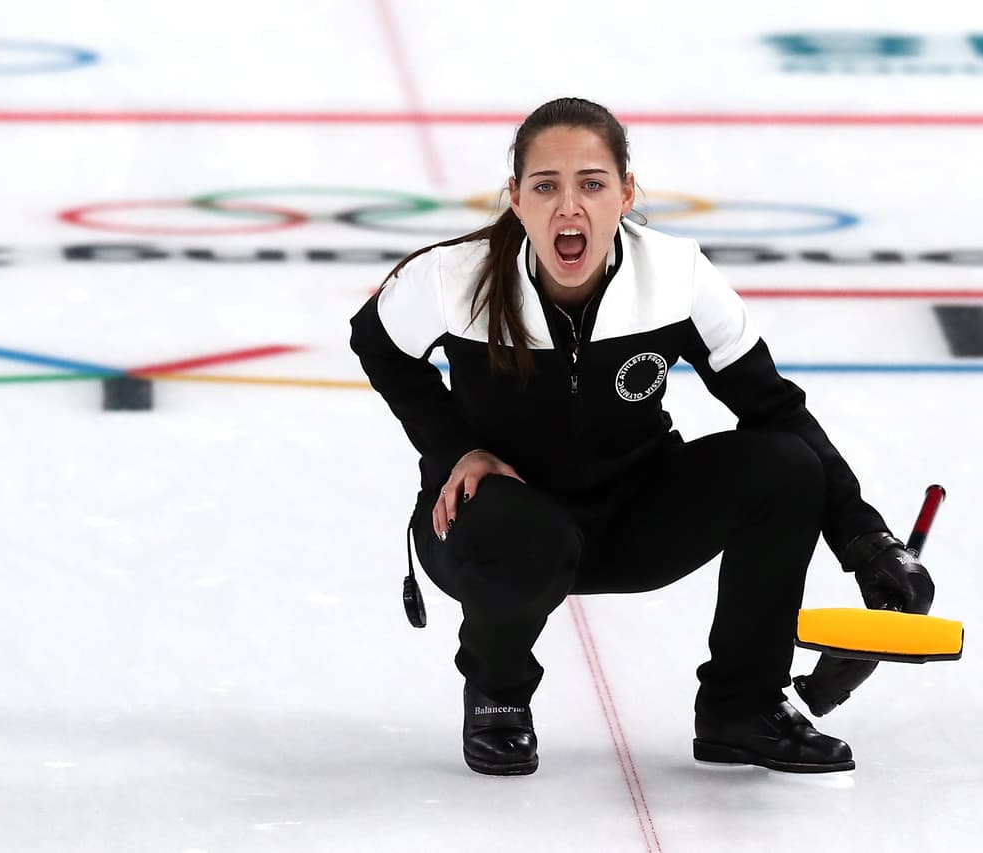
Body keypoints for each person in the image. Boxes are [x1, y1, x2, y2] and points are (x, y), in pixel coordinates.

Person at [349, 97, 934, 777]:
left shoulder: (677, 278)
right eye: (546, 186)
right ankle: (498, 694)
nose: (569, 207)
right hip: (492, 528)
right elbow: (378, 344)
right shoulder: (455, 278)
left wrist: (868, 541)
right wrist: (454, 450)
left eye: (592, 184)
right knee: (521, 532)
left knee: (785, 465)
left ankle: (741, 709)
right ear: (515, 198)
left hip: (631, 520)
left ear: (626, 193)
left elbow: (774, 408)